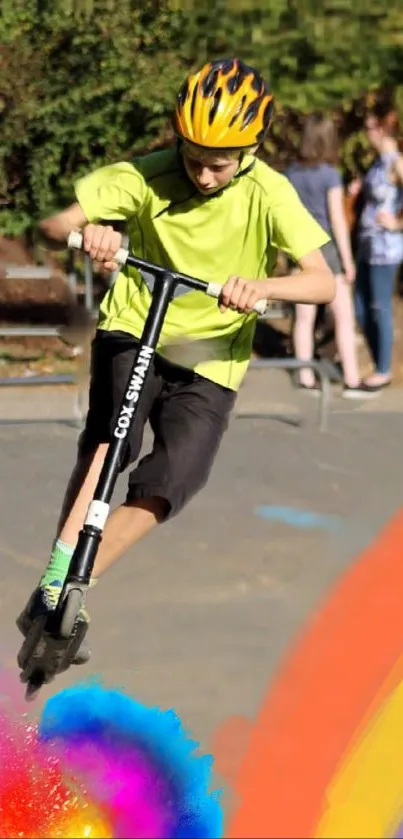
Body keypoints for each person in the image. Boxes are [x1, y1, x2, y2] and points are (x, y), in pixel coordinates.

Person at [17, 58, 334, 666]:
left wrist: (263, 287)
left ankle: (66, 591)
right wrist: (99, 233)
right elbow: (57, 225)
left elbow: (324, 283)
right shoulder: (148, 174)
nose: (206, 175)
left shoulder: (269, 191)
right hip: (138, 323)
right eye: (194, 159)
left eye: (220, 163)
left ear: (250, 150)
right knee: (113, 441)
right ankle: (58, 585)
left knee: (175, 479)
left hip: (214, 351)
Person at [285, 113, 370, 398]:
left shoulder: (292, 174)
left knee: (304, 318)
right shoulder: (330, 175)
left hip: (300, 249)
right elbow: (337, 221)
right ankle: (351, 379)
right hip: (327, 251)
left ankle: (305, 376)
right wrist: (348, 261)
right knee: (344, 316)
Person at [350, 102, 403, 391]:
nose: (366, 133)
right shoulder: (377, 162)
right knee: (359, 306)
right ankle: (376, 361)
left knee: (379, 306)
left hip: (386, 247)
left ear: (384, 129)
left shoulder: (397, 162)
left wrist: (397, 222)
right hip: (367, 244)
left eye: (371, 127)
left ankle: (383, 369)